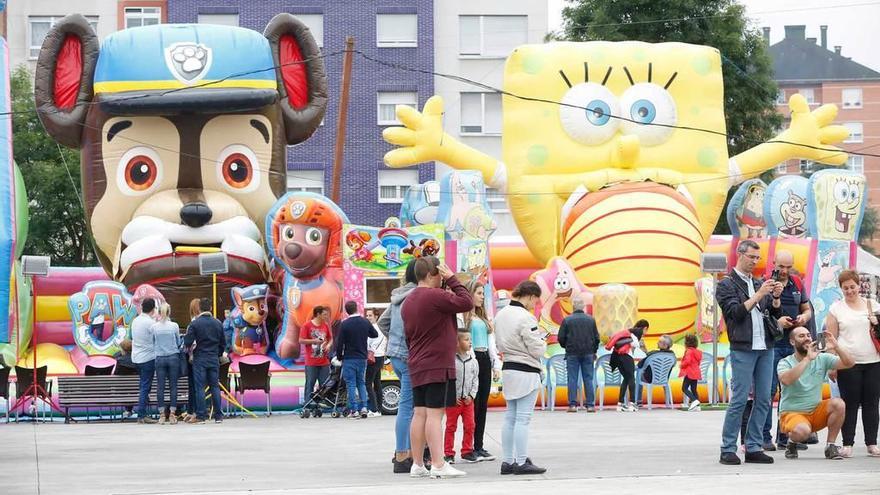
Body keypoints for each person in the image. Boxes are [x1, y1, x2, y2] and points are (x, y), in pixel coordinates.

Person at [401, 256, 473, 479]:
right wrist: (452, 279)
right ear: (434, 274)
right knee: (435, 415)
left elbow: (407, 337)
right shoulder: (436, 296)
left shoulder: (409, 300)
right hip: (437, 364)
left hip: (417, 363)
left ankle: (418, 464)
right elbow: (467, 302)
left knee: (419, 414)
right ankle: (439, 464)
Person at [715, 239, 783, 465]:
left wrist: (773, 298)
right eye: (752, 257)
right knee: (740, 400)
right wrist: (758, 294)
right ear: (740, 254)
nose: (755, 261)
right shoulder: (726, 284)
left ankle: (753, 446)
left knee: (764, 399)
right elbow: (735, 313)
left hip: (765, 346)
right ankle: (727, 448)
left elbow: (771, 315)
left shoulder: (758, 282)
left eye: (758, 258)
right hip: (743, 347)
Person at [825, 269, 880, 458]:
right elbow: (831, 339)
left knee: (872, 403)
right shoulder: (836, 309)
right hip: (848, 362)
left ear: (859, 286)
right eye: (845, 288)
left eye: (853, 287)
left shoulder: (872, 305)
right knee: (850, 404)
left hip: (873, 361)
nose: (850, 291)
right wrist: (832, 364)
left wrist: (875, 321)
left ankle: (872, 443)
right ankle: (847, 443)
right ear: (841, 289)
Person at [494, 280, 547, 475]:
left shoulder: (501, 315)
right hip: (526, 370)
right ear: (531, 296)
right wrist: (542, 342)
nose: (535, 305)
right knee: (523, 419)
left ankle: (508, 461)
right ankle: (522, 461)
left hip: (508, 368)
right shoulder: (526, 317)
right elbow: (536, 348)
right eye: (536, 300)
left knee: (510, 417)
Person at [778, 327, 854, 460]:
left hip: (816, 411)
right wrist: (807, 359)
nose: (807, 338)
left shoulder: (822, 358)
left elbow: (849, 363)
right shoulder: (785, 362)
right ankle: (792, 443)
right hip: (792, 413)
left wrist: (836, 346)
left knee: (838, 403)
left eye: (808, 335)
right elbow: (786, 380)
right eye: (801, 336)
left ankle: (830, 446)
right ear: (792, 342)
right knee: (803, 432)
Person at [765, 250, 814, 450]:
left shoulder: (797, 283)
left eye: (788, 267)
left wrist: (804, 318)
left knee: (791, 391)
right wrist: (777, 322)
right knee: (768, 392)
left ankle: (786, 437)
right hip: (773, 344)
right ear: (773, 263)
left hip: (794, 346)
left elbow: (807, 308)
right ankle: (764, 437)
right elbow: (759, 314)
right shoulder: (765, 284)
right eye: (781, 266)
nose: (784, 271)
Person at [378, 260, 418, 474]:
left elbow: (383, 322)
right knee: (408, 406)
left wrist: (394, 340)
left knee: (408, 405)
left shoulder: (398, 295)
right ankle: (402, 453)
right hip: (410, 356)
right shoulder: (418, 296)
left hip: (395, 355)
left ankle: (406, 450)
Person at [462, 279, 501, 460]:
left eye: (482, 294)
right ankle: (468, 447)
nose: (481, 297)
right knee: (473, 406)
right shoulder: (463, 317)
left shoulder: (484, 318)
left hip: (485, 359)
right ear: (470, 294)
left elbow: (491, 343)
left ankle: (479, 445)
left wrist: (495, 364)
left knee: (483, 406)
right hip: (472, 360)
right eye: (478, 293)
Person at [183, 298, 226, 424]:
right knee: (214, 386)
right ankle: (218, 415)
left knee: (200, 387)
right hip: (213, 358)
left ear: (200, 309)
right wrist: (217, 354)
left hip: (200, 359)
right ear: (211, 308)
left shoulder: (195, 324)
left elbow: (187, 342)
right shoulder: (218, 323)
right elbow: (223, 343)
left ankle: (201, 416)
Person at [557, 296, 599, 413]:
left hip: (572, 353)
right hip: (588, 353)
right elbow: (596, 338)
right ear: (583, 307)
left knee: (572, 379)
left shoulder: (567, 320)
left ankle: (572, 405)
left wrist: (566, 346)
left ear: (573, 307)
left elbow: (560, 338)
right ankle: (590, 405)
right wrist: (593, 350)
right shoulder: (591, 320)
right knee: (588, 379)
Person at [336, 301, 378, 418]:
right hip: (362, 358)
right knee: (361, 382)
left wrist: (339, 356)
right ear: (357, 308)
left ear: (346, 311)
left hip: (349, 358)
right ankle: (364, 407)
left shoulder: (344, 324)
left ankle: (354, 410)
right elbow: (374, 334)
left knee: (351, 384)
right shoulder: (365, 321)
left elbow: (340, 343)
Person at [444, 329, 480, 464]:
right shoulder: (451, 360)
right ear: (457, 343)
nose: (470, 342)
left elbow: (475, 379)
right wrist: (451, 396)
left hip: (468, 401)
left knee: (470, 425)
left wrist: (472, 395)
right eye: (466, 339)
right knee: (451, 426)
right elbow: (447, 380)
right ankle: (448, 453)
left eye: (470, 340)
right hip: (454, 401)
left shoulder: (473, 361)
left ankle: (467, 451)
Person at [152, 303, 181, 424]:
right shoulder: (174, 326)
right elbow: (178, 341)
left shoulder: (154, 327)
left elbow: (153, 342)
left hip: (160, 358)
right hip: (173, 357)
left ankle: (162, 415)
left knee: (160, 386)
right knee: (173, 386)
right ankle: (173, 413)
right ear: (169, 312)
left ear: (159, 312)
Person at [300, 306, 333, 411]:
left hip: (324, 361)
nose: (326, 316)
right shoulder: (307, 326)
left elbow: (330, 338)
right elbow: (301, 340)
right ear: (318, 314)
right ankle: (308, 404)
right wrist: (314, 341)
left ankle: (321, 403)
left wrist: (328, 345)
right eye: (324, 314)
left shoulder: (325, 325)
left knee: (324, 383)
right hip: (311, 361)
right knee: (310, 382)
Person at [131, 298, 158, 424]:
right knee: (145, 387)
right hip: (148, 358)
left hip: (136, 357)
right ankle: (142, 415)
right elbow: (156, 338)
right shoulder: (150, 323)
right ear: (153, 309)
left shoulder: (135, 321)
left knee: (143, 385)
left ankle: (143, 413)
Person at [606, 327, 638, 412]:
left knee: (626, 379)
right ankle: (632, 403)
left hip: (617, 358)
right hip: (627, 358)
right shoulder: (632, 336)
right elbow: (636, 345)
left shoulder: (618, 336)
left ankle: (620, 403)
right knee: (631, 379)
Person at [365, 307, 387, 417]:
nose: (368, 317)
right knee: (377, 383)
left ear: (376, 316)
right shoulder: (382, 328)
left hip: (372, 358)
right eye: (367, 315)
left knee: (368, 383)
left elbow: (368, 344)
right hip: (380, 357)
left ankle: (373, 409)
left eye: (370, 315)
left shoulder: (372, 328)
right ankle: (379, 408)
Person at [679, 334, 703, 411]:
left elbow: (687, 361)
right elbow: (698, 362)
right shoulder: (697, 352)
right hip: (696, 372)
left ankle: (694, 400)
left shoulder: (689, 351)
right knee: (694, 389)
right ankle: (698, 406)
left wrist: (681, 365)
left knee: (684, 388)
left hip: (690, 372)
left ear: (686, 343)